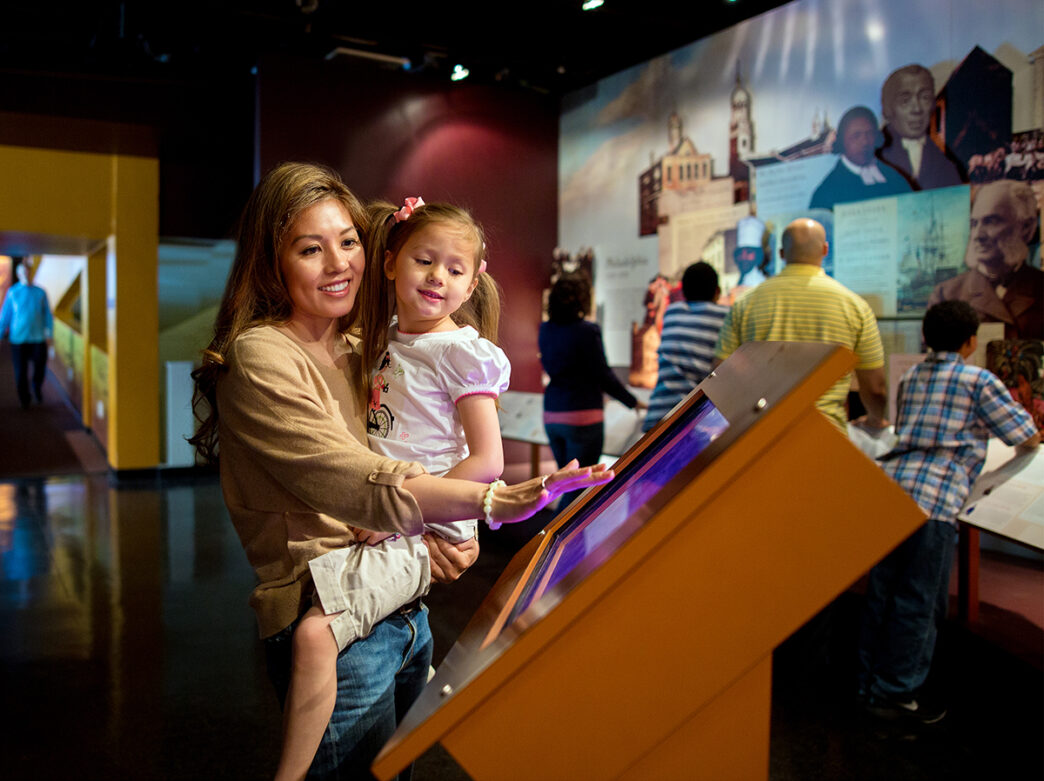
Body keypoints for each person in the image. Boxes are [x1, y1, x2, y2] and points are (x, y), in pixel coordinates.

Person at [189, 162, 611, 781]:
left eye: (349, 241)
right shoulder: (262, 356)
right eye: (311, 249)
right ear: (272, 260)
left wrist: (443, 530)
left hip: (407, 610)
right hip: (334, 620)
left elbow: (429, 457)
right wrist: (479, 503)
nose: (339, 264)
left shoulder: (369, 347)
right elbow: (350, 480)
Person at [276, 196, 511, 780]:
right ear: (389, 263)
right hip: (391, 514)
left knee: (314, 635)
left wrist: (392, 515)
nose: (438, 278)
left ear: (473, 280)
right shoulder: (386, 336)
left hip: (412, 517)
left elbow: (488, 459)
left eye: (456, 270)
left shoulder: (460, 351)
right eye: (424, 261)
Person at [858, 301, 1040, 723]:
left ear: (925, 336)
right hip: (937, 498)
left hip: (892, 491)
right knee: (919, 600)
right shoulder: (977, 379)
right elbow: (1024, 434)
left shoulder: (914, 376)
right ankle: (897, 698)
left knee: (882, 595)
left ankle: (868, 687)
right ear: (971, 340)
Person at [713, 218, 887, 433]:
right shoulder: (854, 306)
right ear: (825, 250)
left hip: (760, 434)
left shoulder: (746, 303)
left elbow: (720, 371)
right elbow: (875, 387)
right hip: (826, 435)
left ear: (782, 254)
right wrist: (875, 419)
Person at [540, 274, 646, 508]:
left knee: (567, 482)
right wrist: (633, 402)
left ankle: (556, 536)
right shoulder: (587, 331)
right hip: (582, 416)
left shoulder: (545, 330)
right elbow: (603, 375)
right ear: (582, 299)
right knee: (578, 489)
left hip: (552, 414)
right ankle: (554, 538)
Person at [927, 179, 1043, 340]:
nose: (977, 235)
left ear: (1026, 227)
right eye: (974, 224)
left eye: (990, 221)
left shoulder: (1040, 287)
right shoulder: (946, 294)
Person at [642, 261, 728, 432]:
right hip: (695, 417)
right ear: (717, 291)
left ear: (683, 291)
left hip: (659, 414)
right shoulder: (724, 317)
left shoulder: (672, 313)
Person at [876, 65, 962, 191]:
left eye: (925, 98)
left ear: (933, 104)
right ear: (888, 108)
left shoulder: (947, 162)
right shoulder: (872, 156)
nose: (917, 109)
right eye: (905, 101)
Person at [809, 106, 911, 210]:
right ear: (842, 141)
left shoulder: (895, 180)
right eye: (856, 136)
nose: (865, 142)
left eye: (869, 134)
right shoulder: (826, 193)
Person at [0, 258, 53, 409]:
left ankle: (37, 388)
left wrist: (49, 333)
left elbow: (47, 315)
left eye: (28, 271)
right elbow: (5, 315)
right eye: (22, 272)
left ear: (31, 273)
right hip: (18, 338)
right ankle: (24, 399)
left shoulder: (40, 292)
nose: (26, 274)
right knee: (20, 371)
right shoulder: (13, 292)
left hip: (38, 338)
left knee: (40, 368)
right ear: (18, 274)